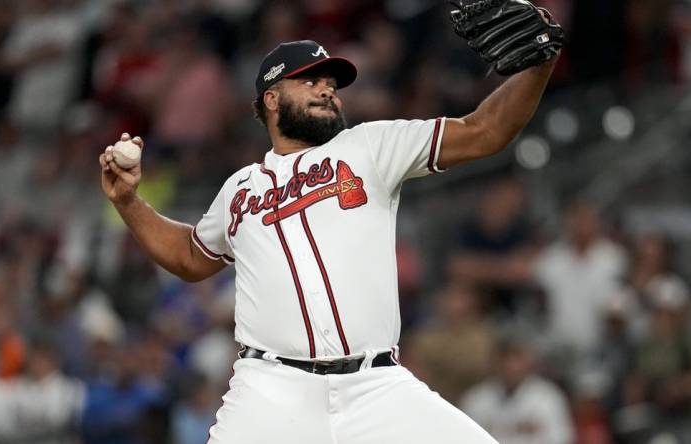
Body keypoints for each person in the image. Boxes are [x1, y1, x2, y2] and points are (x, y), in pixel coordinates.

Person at [99, 35, 558, 443]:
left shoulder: (371, 147)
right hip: (271, 391)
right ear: (272, 98)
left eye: (332, 85)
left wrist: (539, 61)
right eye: (311, 81)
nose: (327, 90)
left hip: (376, 385)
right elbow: (189, 257)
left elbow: (486, 130)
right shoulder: (240, 189)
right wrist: (129, 203)